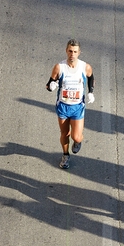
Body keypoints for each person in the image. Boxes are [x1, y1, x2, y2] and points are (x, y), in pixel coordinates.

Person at [46, 39, 95, 169]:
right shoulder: (59, 67)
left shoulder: (85, 67)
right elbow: (50, 83)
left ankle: (77, 142)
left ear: (79, 52)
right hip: (63, 106)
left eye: (74, 52)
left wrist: (91, 92)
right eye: (70, 51)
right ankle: (65, 155)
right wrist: (52, 86)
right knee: (65, 134)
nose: (72, 54)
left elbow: (90, 77)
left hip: (77, 107)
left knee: (76, 137)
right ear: (66, 51)